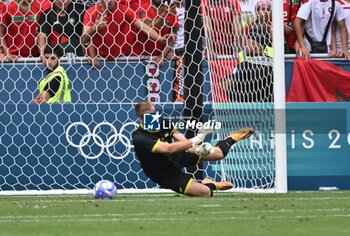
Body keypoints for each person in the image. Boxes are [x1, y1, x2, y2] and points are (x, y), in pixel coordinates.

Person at [132, 100, 255, 197]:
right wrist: (198, 138)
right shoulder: (139, 137)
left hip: (177, 156)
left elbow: (184, 143)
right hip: (164, 173)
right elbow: (168, 149)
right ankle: (210, 184)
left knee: (218, 153)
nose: (154, 117)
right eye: (149, 115)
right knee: (205, 192)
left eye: (154, 113)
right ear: (140, 119)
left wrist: (198, 150)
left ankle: (234, 137)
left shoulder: (164, 122)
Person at [82, 0, 172, 68]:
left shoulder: (124, 10)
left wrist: (162, 39)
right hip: (99, 60)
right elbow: (83, 40)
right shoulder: (91, 12)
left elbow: (144, 28)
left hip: (121, 59)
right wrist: (94, 28)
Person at [221, 0, 273, 102]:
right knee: (225, 82)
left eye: (268, 9)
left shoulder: (275, 29)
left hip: (264, 68)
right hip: (247, 68)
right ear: (257, 12)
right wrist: (246, 52)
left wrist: (263, 51)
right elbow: (243, 53)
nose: (266, 12)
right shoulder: (250, 27)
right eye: (263, 9)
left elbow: (276, 54)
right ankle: (241, 103)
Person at [37, 0, 87, 66]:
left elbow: (86, 36)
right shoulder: (47, 14)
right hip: (55, 57)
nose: (61, 2)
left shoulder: (79, 13)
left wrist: (87, 55)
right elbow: (42, 35)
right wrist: (42, 55)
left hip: (77, 56)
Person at [130, 0, 179, 65]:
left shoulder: (172, 11)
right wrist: (163, 15)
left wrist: (162, 56)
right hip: (136, 58)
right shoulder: (140, 6)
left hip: (158, 59)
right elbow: (146, 29)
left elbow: (172, 38)